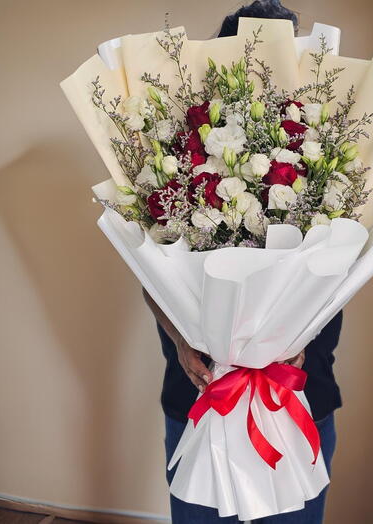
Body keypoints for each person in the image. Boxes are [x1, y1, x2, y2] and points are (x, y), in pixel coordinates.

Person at [144, 2, 344, 522]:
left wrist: (297, 338)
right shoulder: (182, 157)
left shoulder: (329, 154)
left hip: (296, 399)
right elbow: (153, 275)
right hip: (200, 398)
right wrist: (183, 341)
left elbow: (340, 275)